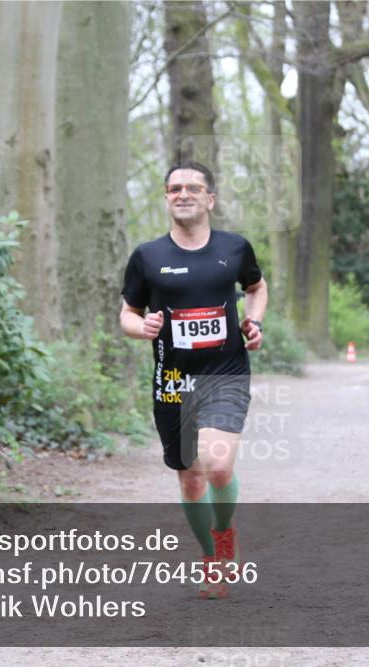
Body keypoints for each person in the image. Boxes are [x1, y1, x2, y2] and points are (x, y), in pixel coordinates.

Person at [119, 161, 268, 599]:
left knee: (218, 466)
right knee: (190, 478)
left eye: (192, 187)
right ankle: (211, 556)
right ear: (166, 198)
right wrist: (139, 327)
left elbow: (256, 287)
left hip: (225, 373)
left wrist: (254, 321)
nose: (183, 193)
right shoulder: (148, 257)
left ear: (210, 199)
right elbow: (127, 313)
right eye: (174, 188)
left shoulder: (234, 248)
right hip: (171, 379)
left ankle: (225, 538)